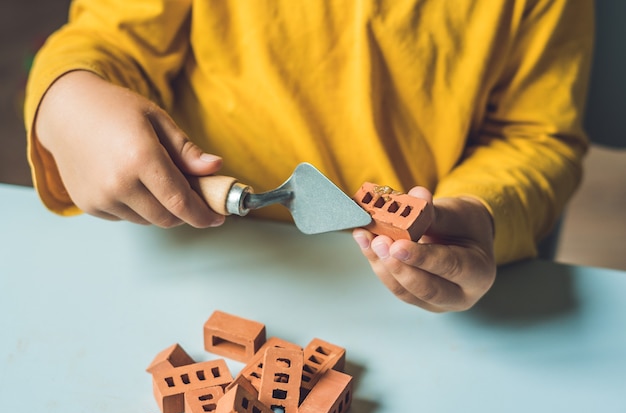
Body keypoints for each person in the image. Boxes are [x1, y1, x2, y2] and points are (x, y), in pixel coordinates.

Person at [24, 0, 594, 312]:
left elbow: (535, 137)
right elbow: (106, 41)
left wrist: (482, 209)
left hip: (398, 293)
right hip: (190, 255)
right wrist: (67, 97)